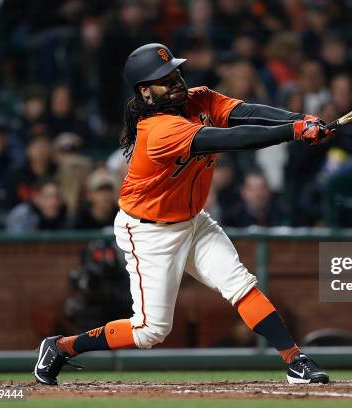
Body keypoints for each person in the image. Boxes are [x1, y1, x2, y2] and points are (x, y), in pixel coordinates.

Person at [34, 43, 331, 386]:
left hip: (193, 221)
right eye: (163, 78)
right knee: (150, 331)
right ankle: (61, 347)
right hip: (149, 232)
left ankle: (296, 360)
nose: (175, 80)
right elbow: (235, 139)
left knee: (240, 283)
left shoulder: (198, 98)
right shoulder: (157, 131)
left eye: (174, 72)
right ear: (145, 92)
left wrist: (300, 119)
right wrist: (295, 131)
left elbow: (245, 113)